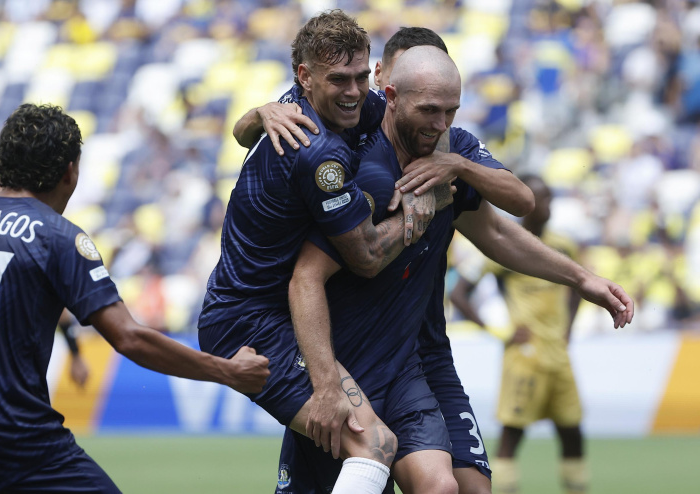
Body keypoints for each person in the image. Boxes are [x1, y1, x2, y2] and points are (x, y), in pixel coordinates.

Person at [241, 34, 631, 494]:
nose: (440, 121)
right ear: (387, 89)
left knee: (462, 487)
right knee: (367, 467)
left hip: (420, 356)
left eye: (449, 108)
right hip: (344, 356)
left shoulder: (452, 151)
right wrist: (259, 115)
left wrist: (582, 278)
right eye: (428, 107)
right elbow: (311, 271)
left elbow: (503, 224)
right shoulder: (358, 161)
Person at [0, 103, 270, 494]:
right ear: (70, 171)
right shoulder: (56, 235)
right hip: (18, 439)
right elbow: (128, 337)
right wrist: (226, 371)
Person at [199, 10, 439, 494]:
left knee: (369, 449)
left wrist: (255, 114)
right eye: (338, 80)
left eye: (359, 76)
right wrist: (428, 206)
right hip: (249, 323)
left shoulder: (315, 104)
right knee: (372, 447)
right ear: (305, 78)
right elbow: (366, 257)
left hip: (273, 313)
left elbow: (244, 132)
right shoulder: (317, 152)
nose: (353, 92)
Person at [449, 175, 589, 494]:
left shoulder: (562, 245)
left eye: (552, 198)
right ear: (527, 205)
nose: (550, 207)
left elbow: (579, 288)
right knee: (513, 436)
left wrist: (567, 329)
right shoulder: (504, 246)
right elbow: (458, 294)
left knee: (573, 433)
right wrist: (501, 333)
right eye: (544, 200)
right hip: (524, 357)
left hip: (559, 355)